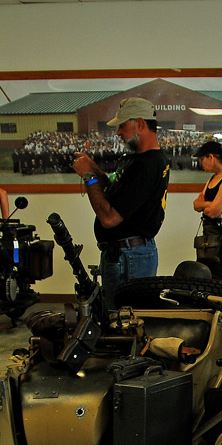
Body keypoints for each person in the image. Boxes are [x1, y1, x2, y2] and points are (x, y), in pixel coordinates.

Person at [71, 97, 170, 309]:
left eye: (122, 126)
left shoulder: (147, 165)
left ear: (140, 124)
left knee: (122, 322)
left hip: (129, 257)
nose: (118, 132)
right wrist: (95, 170)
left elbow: (109, 217)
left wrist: (89, 177)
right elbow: (114, 192)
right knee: (121, 320)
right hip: (128, 254)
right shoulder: (140, 161)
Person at [191, 140, 222, 283]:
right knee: (206, 275)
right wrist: (208, 204)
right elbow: (195, 204)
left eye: (202, 159)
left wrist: (205, 205)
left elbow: (213, 212)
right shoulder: (213, 179)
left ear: (210, 157)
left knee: (219, 277)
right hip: (209, 233)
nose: (201, 163)